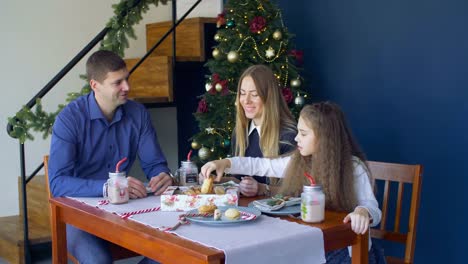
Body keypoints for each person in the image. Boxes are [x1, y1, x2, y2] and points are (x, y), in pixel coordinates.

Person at [200, 102, 386, 263]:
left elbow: (372, 208)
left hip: (345, 250)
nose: (297, 138)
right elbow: (260, 165)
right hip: (310, 245)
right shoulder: (299, 161)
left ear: (324, 138)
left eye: (304, 134)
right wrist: (225, 163)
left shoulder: (354, 168)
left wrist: (363, 211)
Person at [48, 50, 172, 263]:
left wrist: (162, 175)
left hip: (126, 210)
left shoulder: (138, 114)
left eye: (127, 79)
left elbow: (154, 164)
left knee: (172, 252)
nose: (127, 87)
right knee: (99, 261)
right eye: (118, 82)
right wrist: (107, 187)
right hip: (77, 216)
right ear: (95, 85)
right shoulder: (69, 119)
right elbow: (58, 183)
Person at [229, 64, 297, 197]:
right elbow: (236, 181)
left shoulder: (289, 137)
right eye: (242, 93)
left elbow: (296, 191)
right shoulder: (240, 134)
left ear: (269, 97)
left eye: (254, 95)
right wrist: (215, 180)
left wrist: (261, 188)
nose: (246, 101)